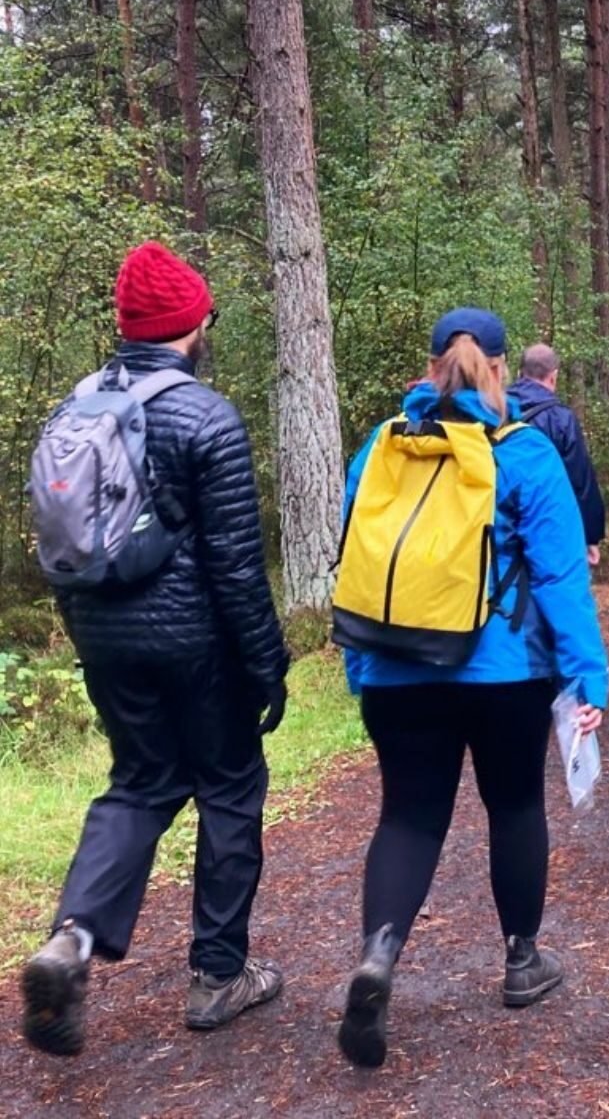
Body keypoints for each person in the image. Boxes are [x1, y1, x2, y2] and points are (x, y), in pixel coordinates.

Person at [21, 242, 290, 1056]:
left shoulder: (76, 409)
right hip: (197, 644)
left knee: (139, 783)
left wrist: (91, 635)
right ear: (193, 324)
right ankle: (219, 975)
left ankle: (72, 939)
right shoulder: (205, 415)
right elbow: (236, 567)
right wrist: (267, 664)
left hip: (104, 635)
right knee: (231, 787)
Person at [336, 308, 609, 1069]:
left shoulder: (383, 446)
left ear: (430, 368)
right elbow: (559, 578)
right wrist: (588, 676)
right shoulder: (524, 453)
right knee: (515, 805)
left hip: (395, 665)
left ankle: (378, 959)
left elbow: (356, 556)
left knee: (408, 817)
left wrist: (359, 665)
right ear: (498, 367)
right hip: (505, 673)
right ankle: (523, 960)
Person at [508, 343, 606, 566]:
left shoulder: (493, 411)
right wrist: (590, 536)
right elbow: (580, 480)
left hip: (498, 524)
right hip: (547, 526)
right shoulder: (561, 419)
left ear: (518, 373)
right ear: (553, 377)